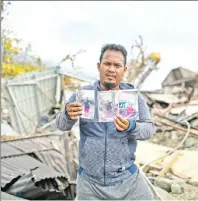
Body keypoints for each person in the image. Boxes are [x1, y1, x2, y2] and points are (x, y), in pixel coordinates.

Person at [55, 44, 156, 200]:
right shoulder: (83, 95)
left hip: (127, 181)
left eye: (117, 65)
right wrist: (67, 115)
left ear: (125, 70)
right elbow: (61, 125)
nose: (111, 69)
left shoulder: (133, 99)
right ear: (98, 66)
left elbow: (149, 129)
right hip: (89, 184)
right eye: (107, 64)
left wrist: (131, 126)